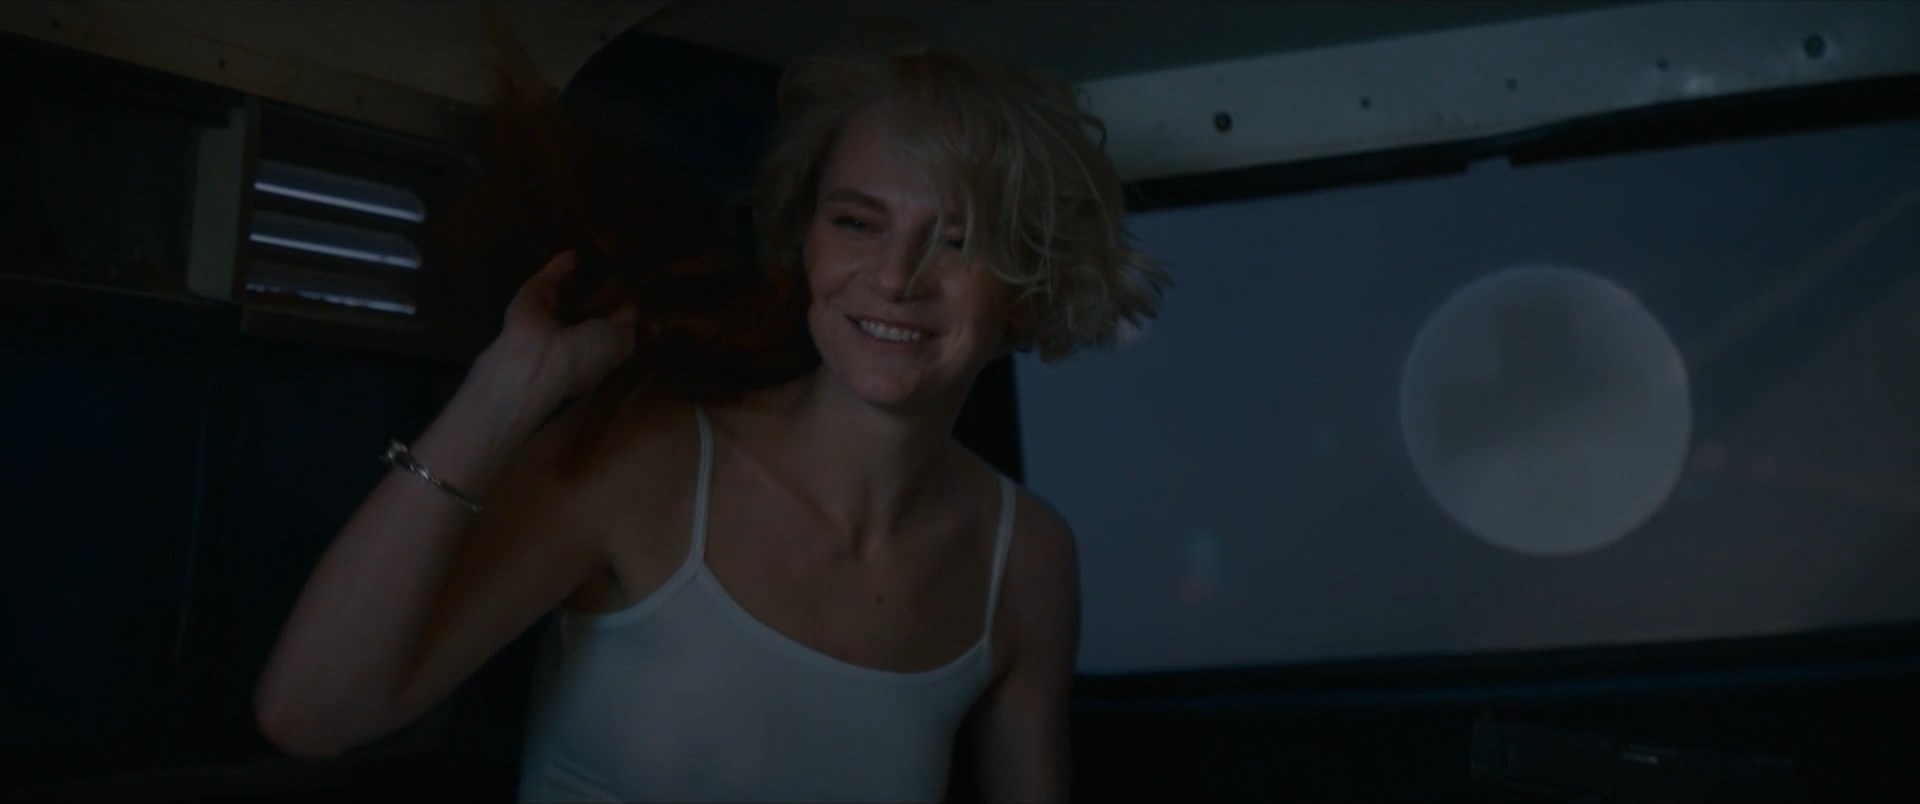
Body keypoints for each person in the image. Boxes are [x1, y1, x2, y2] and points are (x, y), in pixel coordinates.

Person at [252, 41, 1169, 803]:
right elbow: (310, 716)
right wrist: (504, 392)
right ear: (803, 243)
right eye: (857, 223)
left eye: (957, 240)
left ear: (1030, 287)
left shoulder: (1028, 559)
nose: (895, 279)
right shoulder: (642, 461)